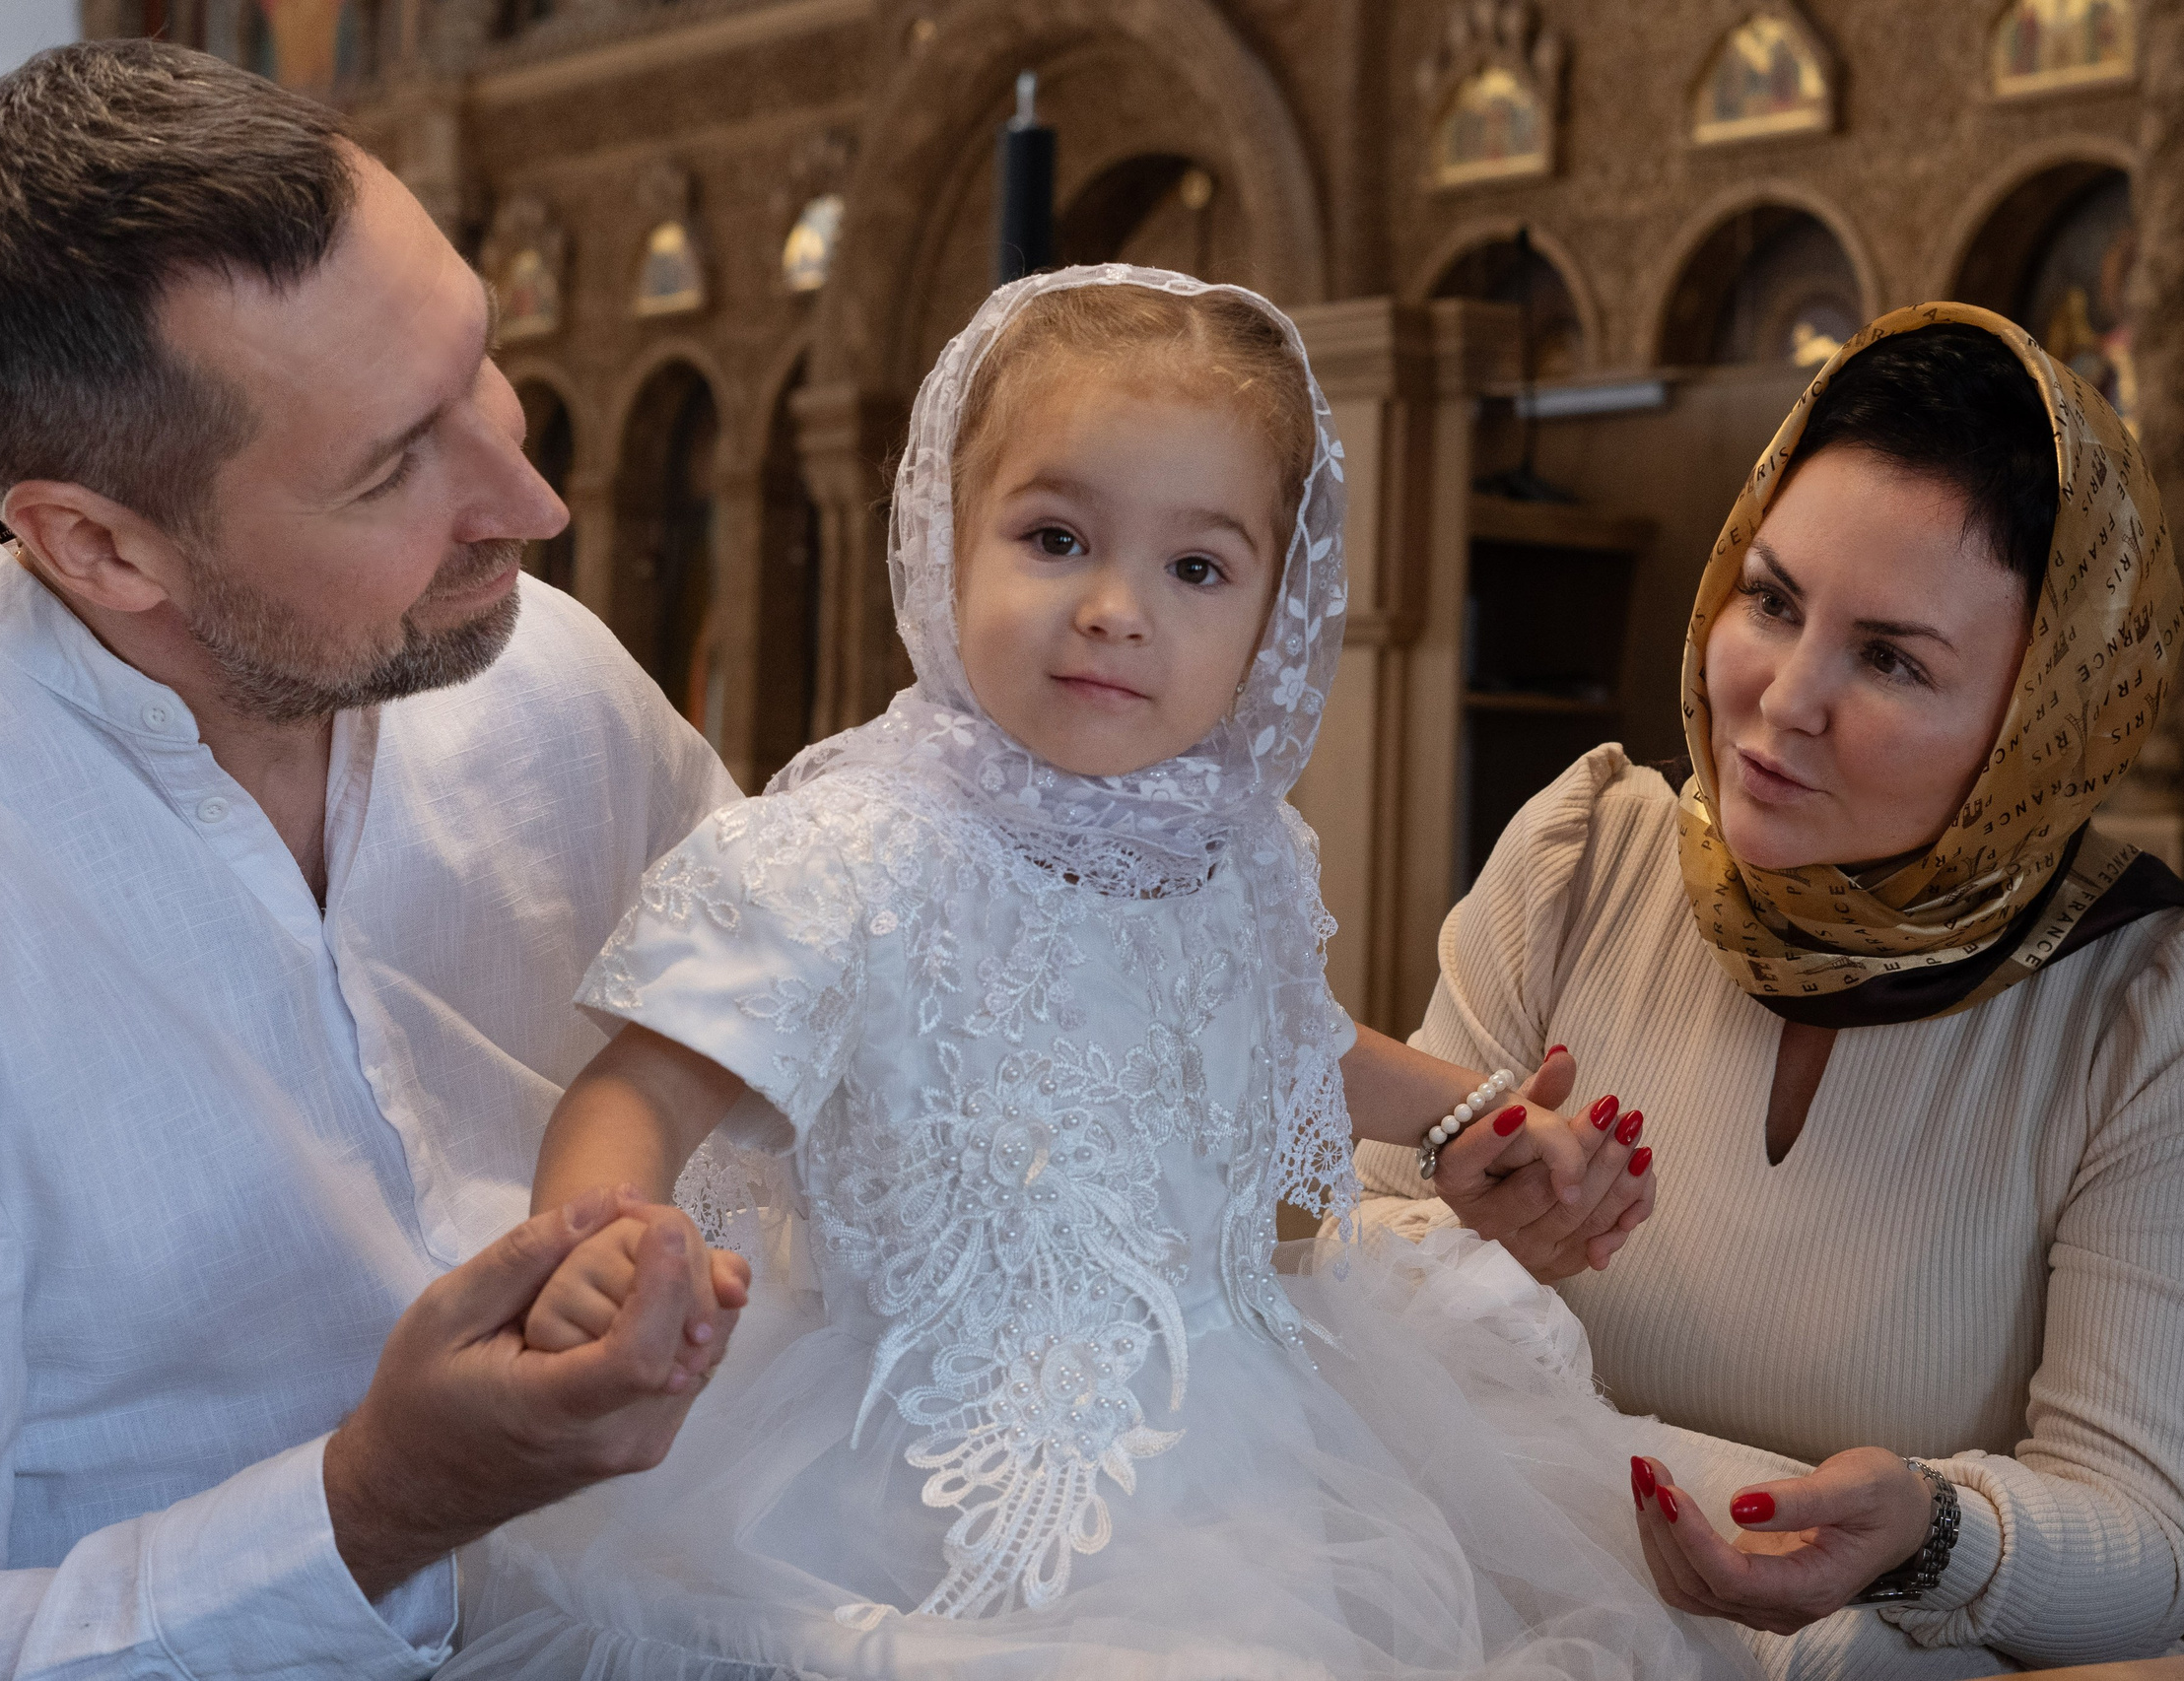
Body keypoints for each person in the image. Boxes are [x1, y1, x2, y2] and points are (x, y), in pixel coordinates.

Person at [438, 266, 1747, 1681]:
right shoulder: (847, 848)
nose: (1120, 608)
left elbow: (1278, 1026)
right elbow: (648, 1074)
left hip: (1257, 1432)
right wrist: (603, 1239)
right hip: (918, 1451)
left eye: (1198, 568)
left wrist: (1465, 1110)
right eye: (1057, 536)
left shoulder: (1234, 850)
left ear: (1273, 613)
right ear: (947, 543)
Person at [0, 42, 749, 1677]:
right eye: (391, 466)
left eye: (478, 369)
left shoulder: (542, 669)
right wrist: (374, 1506)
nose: (534, 498)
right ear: (98, 543)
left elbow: (823, 1024)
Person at [1359, 303, 2184, 1674]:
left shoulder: (2166, 996)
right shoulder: (1583, 861)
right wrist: (1459, 1234)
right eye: (1774, 601)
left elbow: (2148, 1540)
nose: (1783, 698)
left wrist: (1932, 1536)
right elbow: (1338, 1269)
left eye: (1894, 658)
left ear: (2045, 716)